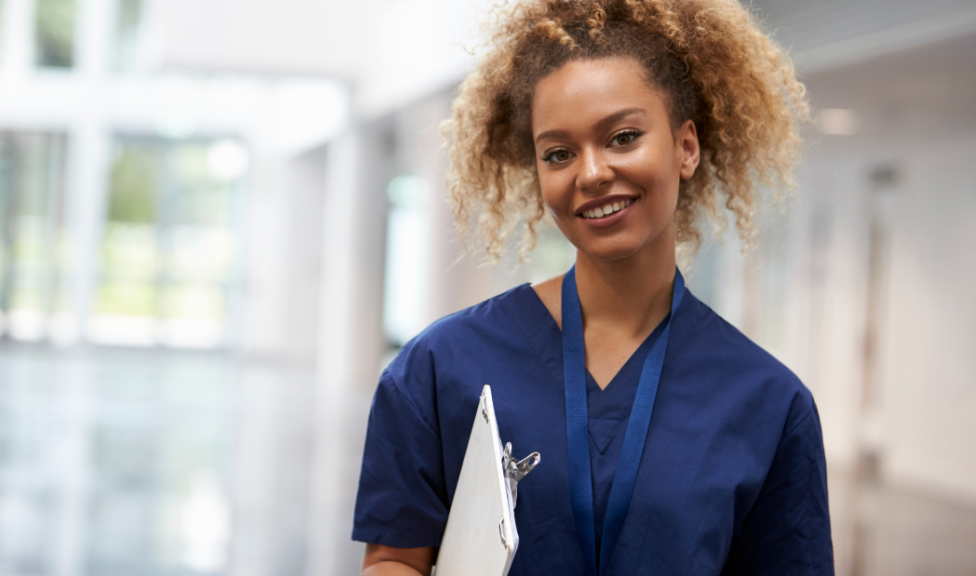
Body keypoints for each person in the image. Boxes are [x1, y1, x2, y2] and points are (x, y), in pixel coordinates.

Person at [353, 0, 833, 574]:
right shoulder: (440, 366)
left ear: (686, 146)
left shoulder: (769, 404)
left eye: (623, 137)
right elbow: (394, 560)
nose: (591, 172)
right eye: (558, 153)